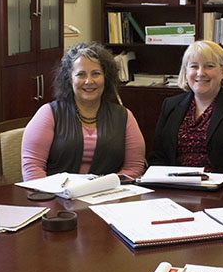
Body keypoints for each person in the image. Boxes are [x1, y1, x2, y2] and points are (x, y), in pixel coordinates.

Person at [147, 40, 223, 187]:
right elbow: (158, 156)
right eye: (194, 66)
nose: (200, 73)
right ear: (185, 72)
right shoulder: (171, 105)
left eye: (209, 66)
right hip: (176, 190)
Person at [21, 43, 146, 179]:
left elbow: (134, 167)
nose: (88, 81)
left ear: (106, 77)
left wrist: (106, 188)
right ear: (69, 79)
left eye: (96, 74)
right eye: (81, 74)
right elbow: (32, 168)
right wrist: (52, 197)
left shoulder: (124, 116)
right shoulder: (49, 113)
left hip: (106, 195)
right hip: (55, 196)